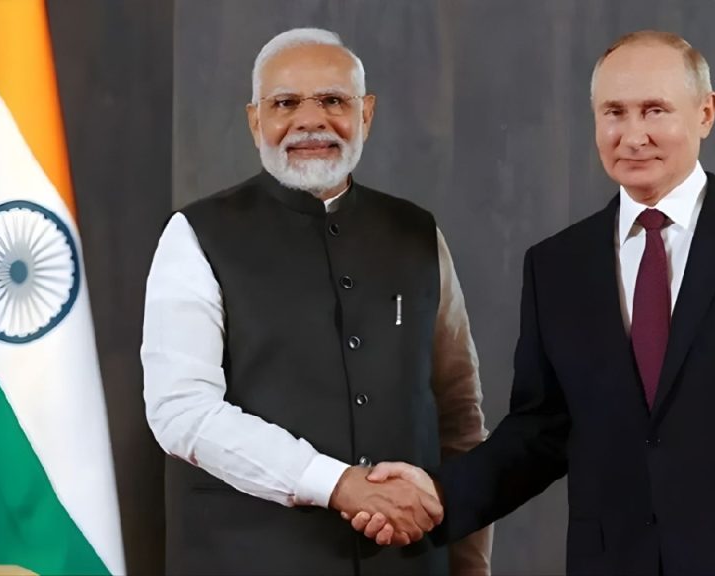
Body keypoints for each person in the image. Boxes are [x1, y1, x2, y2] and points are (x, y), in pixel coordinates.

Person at [351, 30, 715, 575]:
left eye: (654, 110)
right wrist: (440, 494)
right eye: (614, 113)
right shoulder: (557, 264)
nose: (632, 135)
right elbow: (542, 430)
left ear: (705, 113)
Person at [141, 27, 492, 575]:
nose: (310, 121)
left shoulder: (417, 233)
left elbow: (460, 418)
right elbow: (181, 412)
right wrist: (338, 484)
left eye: (333, 100)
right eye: (285, 103)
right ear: (255, 119)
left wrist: (469, 567)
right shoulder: (195, 234)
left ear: (366, 114)